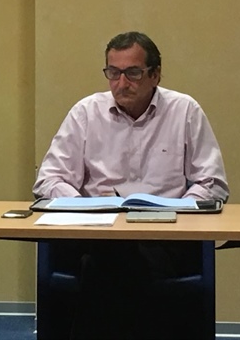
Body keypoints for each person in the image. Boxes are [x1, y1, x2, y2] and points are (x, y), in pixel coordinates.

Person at [33, 31, 229, 340]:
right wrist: (85, 206)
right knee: (111, 260)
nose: (121, 83)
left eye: (133, 73)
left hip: (163, 237)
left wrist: (180, 211)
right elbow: (49, 180)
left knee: (103, 267)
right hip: (95, 233)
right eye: (113, 73)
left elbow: (213, 183)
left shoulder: (184, 110)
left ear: (155, 74)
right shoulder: (86, 112)